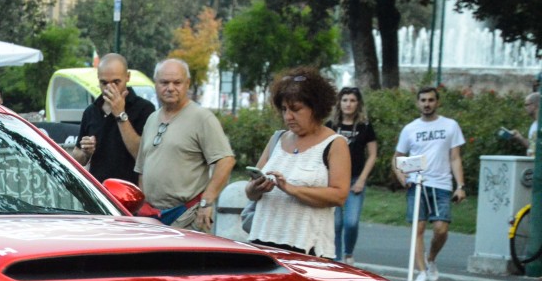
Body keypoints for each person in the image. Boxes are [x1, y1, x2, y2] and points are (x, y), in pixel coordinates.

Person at [244, 67, 350, 257]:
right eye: (284, 109)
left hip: (306, 249)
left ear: (316, 108)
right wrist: (256, 188)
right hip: (262, 242)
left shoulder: (335, 144)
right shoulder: (277, 139)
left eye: (295, 109)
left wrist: (291, 189)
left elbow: (339, 196)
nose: (288, 116)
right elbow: (250, 193)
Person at [134, 58, 235, 231]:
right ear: (156, 84)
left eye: (177, 82)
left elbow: (226, 160)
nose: (170, 88)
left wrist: (207, 201)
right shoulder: (152, 119)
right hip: (152, 217)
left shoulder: (202, 117)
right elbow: (142, 169)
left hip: (187, 216)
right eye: (164, 82)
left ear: (187, 84)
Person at [393, 86, 466, 281]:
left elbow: (455, 157)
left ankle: (431, 258)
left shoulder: (450, 126)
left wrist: (460, 185)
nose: (427, 104)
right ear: (418, 103)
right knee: (419, 228)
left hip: (441, 184)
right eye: (423, 100)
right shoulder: (410, 129)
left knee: (441, 229)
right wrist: (402, 177)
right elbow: (398, 158)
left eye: (431, 100)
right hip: (417, 184)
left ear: (437, 102)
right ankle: (421, 272)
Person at [74, 53, 155, 185]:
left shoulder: (144, 109)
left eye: (116, 82)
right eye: (104, 83)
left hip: (131, 193)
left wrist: (120, 114)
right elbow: (77, 157)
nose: (110, 88)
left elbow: (143, 156)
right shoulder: (91, 111)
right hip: (100, 192)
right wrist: (85, 152)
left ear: (127, 77)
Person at [329, 87, 378, 264]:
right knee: (335, 223)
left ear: (358, 104)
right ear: (339, 103)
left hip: (355, 179)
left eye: (352, 100)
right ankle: (335, 259)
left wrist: (362, 180)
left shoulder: (365, 126)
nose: (348, 104)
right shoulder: (331, 126)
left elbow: (372, 155)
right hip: (332, 181)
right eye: (344, 100)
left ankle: (348, 254)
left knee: (351, 222)